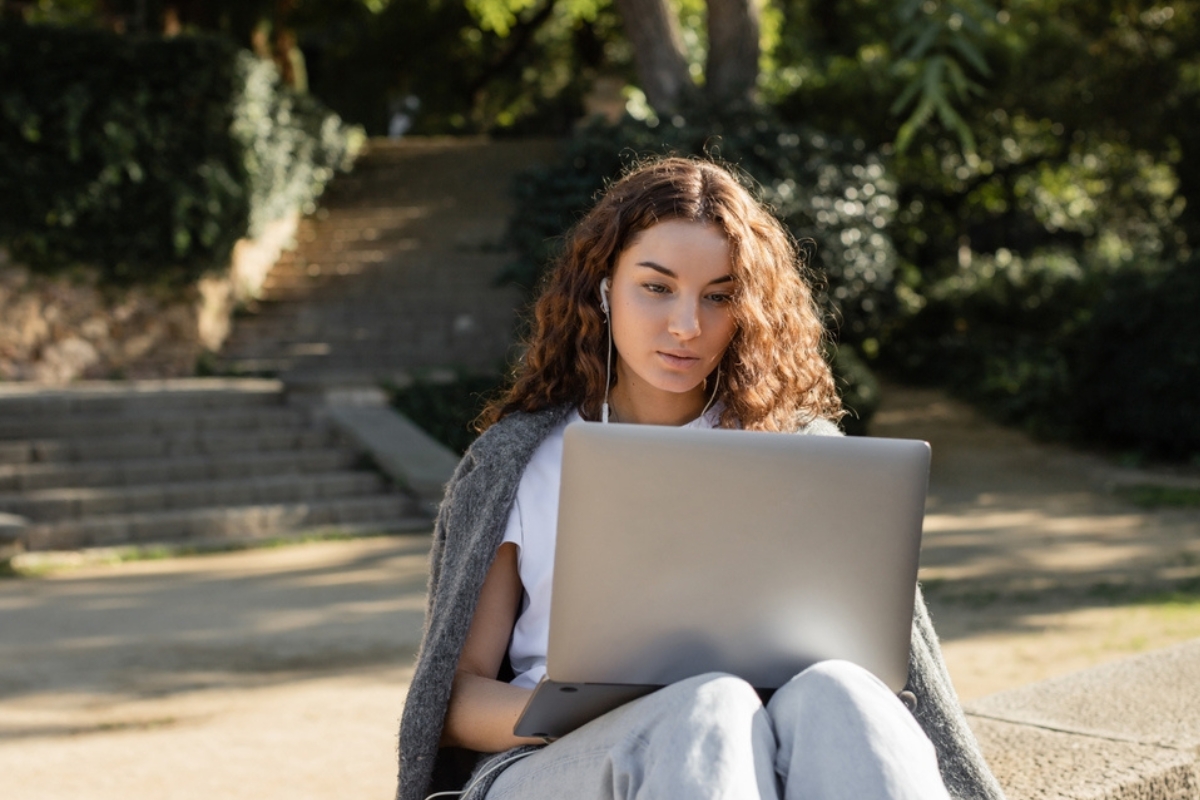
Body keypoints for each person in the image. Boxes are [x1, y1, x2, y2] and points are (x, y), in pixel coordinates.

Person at [396, 158, 1005, 800]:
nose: (688, 325)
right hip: (558, 763)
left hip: (761, 748)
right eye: (657, 287)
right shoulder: (520, 460)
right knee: (705, 707)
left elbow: (886, 665)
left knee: (847, 694)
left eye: (718, 296)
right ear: (603, 289)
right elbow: (453, 700)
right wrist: (608, 711)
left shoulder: (798, 454)